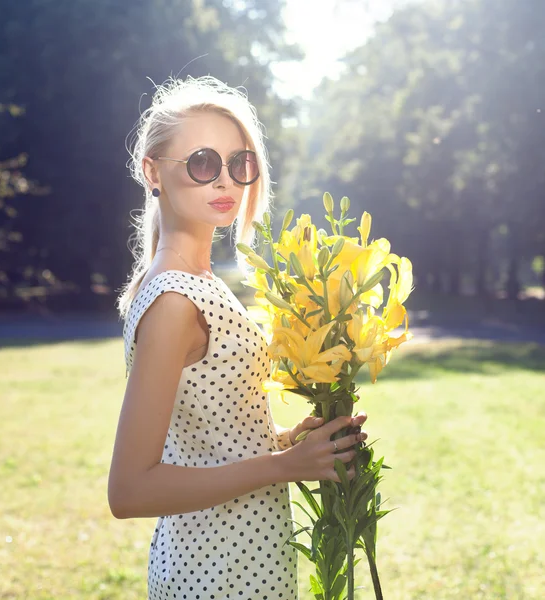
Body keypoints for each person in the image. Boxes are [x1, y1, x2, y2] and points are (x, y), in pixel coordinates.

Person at [107, 75, 368, 600]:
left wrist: (291, 442)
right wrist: (282, 466)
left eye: (239, 163)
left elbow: (213, 442)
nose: (224, 181)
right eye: (202, 163)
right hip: (215, 572)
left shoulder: (205, 283)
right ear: (153, 172)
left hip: (246, 556)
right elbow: (129, 489)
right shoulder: (175, 301)